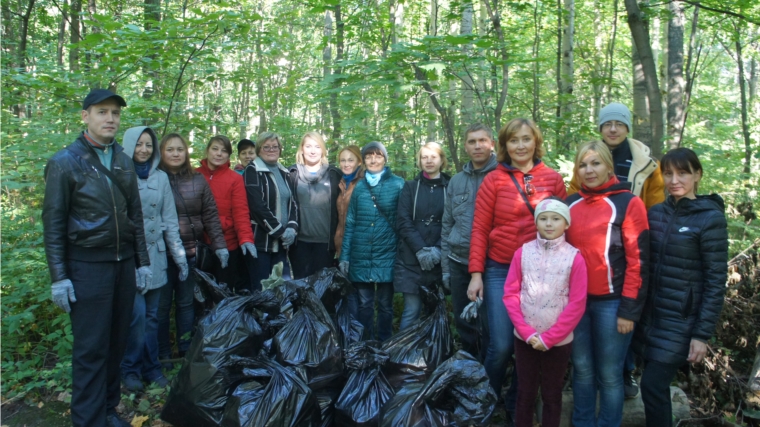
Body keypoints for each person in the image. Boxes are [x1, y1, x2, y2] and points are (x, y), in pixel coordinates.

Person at [42, 89, 151, 427]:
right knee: (91, 349)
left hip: (123, 265)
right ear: (85, 116)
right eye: (102, 112)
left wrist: (143, 262)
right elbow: (54, 223)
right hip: (87, 266)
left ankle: (107, 408)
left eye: (115, 113)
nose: (110, 119)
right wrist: (59, 277)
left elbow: (135, 215)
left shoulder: (122, 159)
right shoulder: (65, 162)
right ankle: (87, 420)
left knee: (116, 342)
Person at [467, 118, 566, 421]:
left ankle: (516, 405)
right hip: (499, 268)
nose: (520, 146)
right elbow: (480, 229)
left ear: (536, 142)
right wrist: (475, 274)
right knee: (500, 344)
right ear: (504, 145)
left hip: (542, 274)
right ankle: (482, 402)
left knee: (527, 345)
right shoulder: (494, 180)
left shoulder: (552, 179)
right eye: (514, 140)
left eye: (526, 139)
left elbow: (565, 230)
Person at [569, 102, 665, 398]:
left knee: (618, 344)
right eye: (607, 124)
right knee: (584, 365)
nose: (613, 128)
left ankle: (627, 374)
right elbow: (576, 197)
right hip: (585, 281)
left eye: (619, 124)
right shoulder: (586, 165)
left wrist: (633, 225)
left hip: (628, 245)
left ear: (626, 128)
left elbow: (656, 204)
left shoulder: (646, 163)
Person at [633, 148, 728, 427]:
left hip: (681, 322)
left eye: (683, 172)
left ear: (697, 175)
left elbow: (715, 281)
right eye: (669, 173)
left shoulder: (710, 218)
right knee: (653, 389)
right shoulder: (656, 213)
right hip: (650, 318)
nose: (675, 179)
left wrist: (701, 334)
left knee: (652, 386)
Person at [565, 141, 649, 427]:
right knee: (582, 369)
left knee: (610, 374)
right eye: (583, 165)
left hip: (612, 306)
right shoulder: (569, 204)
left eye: (595, 163)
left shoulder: (628, 202)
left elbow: (638, 261)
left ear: (609, 166)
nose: (589, 170)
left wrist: (629, 311)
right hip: (576, 304)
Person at [503, 198, 588, 427]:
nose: (549, 224)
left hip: (558, 342)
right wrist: (527, 332)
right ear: (536, 222)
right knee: (525, 392)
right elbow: (510, 294)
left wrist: (550, 338)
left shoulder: (574, 258)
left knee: (552, 394)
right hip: (525, 338)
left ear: (566, 224)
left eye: (556, 218)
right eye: (543, 218)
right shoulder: (522, 253)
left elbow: (577, 303)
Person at [120, 126, 187, 392]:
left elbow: (169, 220)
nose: (144, 150)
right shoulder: (119, 176)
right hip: (130, 259)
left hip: (157, 255)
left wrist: (179, 256)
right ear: (128, 146)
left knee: (152, 318)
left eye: (148, 145)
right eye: (138, 145)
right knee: (134, 318)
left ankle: (153, 368)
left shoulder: (160, 178)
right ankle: (130, 369)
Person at [157, 133, 226, 364]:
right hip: (161, 254)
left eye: (180, 149)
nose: (175, 154)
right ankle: (163, 353)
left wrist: (220, 246)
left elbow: (211, 216)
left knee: (187, 303)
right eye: (170, 149)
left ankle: (185, 351)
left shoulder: (197, 180)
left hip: (190, 252)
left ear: (186, 153)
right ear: (162, 152)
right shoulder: (155, 179)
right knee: (162, 305)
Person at [441, 123, 498, 359]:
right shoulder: (456, 181)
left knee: (491, 323)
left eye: (482, 141)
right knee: (465, 323)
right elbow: (447, 225)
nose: (477, 146)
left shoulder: (502, 176)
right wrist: (445, 269)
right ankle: (468, 375)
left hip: (492, 262)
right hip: (458, 260)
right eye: (472, 141)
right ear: (465, 146)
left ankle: (491, 376)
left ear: (492, 144)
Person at [339, 141, 404, 341]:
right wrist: (345, 257)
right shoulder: (358, 188)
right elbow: (350, 223)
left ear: (385, 159)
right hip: (360, 255)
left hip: (388, 255)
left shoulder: (398, 184)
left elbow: (403, 224)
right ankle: (366, 343)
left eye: (378, 156)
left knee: (385, 304)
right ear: (364, 160)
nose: (373, 160)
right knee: (364, 304)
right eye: (368, 156)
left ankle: (384, 343)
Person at [395, 142, 449, 330]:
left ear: (441, 160)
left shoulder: (451, 186)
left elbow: (456, 222)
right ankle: (401, 356)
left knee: (435, 312)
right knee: (411, 311)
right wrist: (420, 249)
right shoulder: (410, 187)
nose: (429, 161)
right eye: (424, 157)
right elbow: (403, 221)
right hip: (411, 259)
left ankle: (432, 356)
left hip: (440, 260)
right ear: (419, 161)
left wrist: (438, 249)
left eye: (433, 157)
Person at [197, 135, 257, 292]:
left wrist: (245, 239)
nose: (219, 154)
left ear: (228, 155)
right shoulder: (194, 175)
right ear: (207, 150)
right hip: (197, 243)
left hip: (227, 243)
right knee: (200, 293)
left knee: (224, 291)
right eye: (215, 149)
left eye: (224, 151)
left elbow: (241, 212)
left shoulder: (234, 179)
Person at [244, 132, 298, 286]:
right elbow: (257, 207)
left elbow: (293, 203)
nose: (271, 150)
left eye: (275, 147)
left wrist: (292, 229)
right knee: (261, 290)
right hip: (261, 243)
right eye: (266, 147)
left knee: (281, 290)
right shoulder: (252, 170)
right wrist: (281, 232)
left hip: (282, 244)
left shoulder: (285, 172)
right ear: (259, 150)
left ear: (280, 149)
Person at [288, 132, 342, 279]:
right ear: (302, 149)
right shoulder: (292, 173)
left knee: (322, 289)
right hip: (299, 243)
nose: (313, 151)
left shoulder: (334, 174)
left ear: (323, 150)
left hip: (325, 243)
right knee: (301, 287)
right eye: (308, 146)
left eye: (317, 146)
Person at [335, 144, 363, 316]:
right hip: (341, 246)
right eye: (343, 160)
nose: (346, 164)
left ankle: (358, 335)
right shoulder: (341, 183)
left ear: (359, 162)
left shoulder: (362, 183)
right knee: (346, 293)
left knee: (356, 294)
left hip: (356, 246)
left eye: (350, 160)